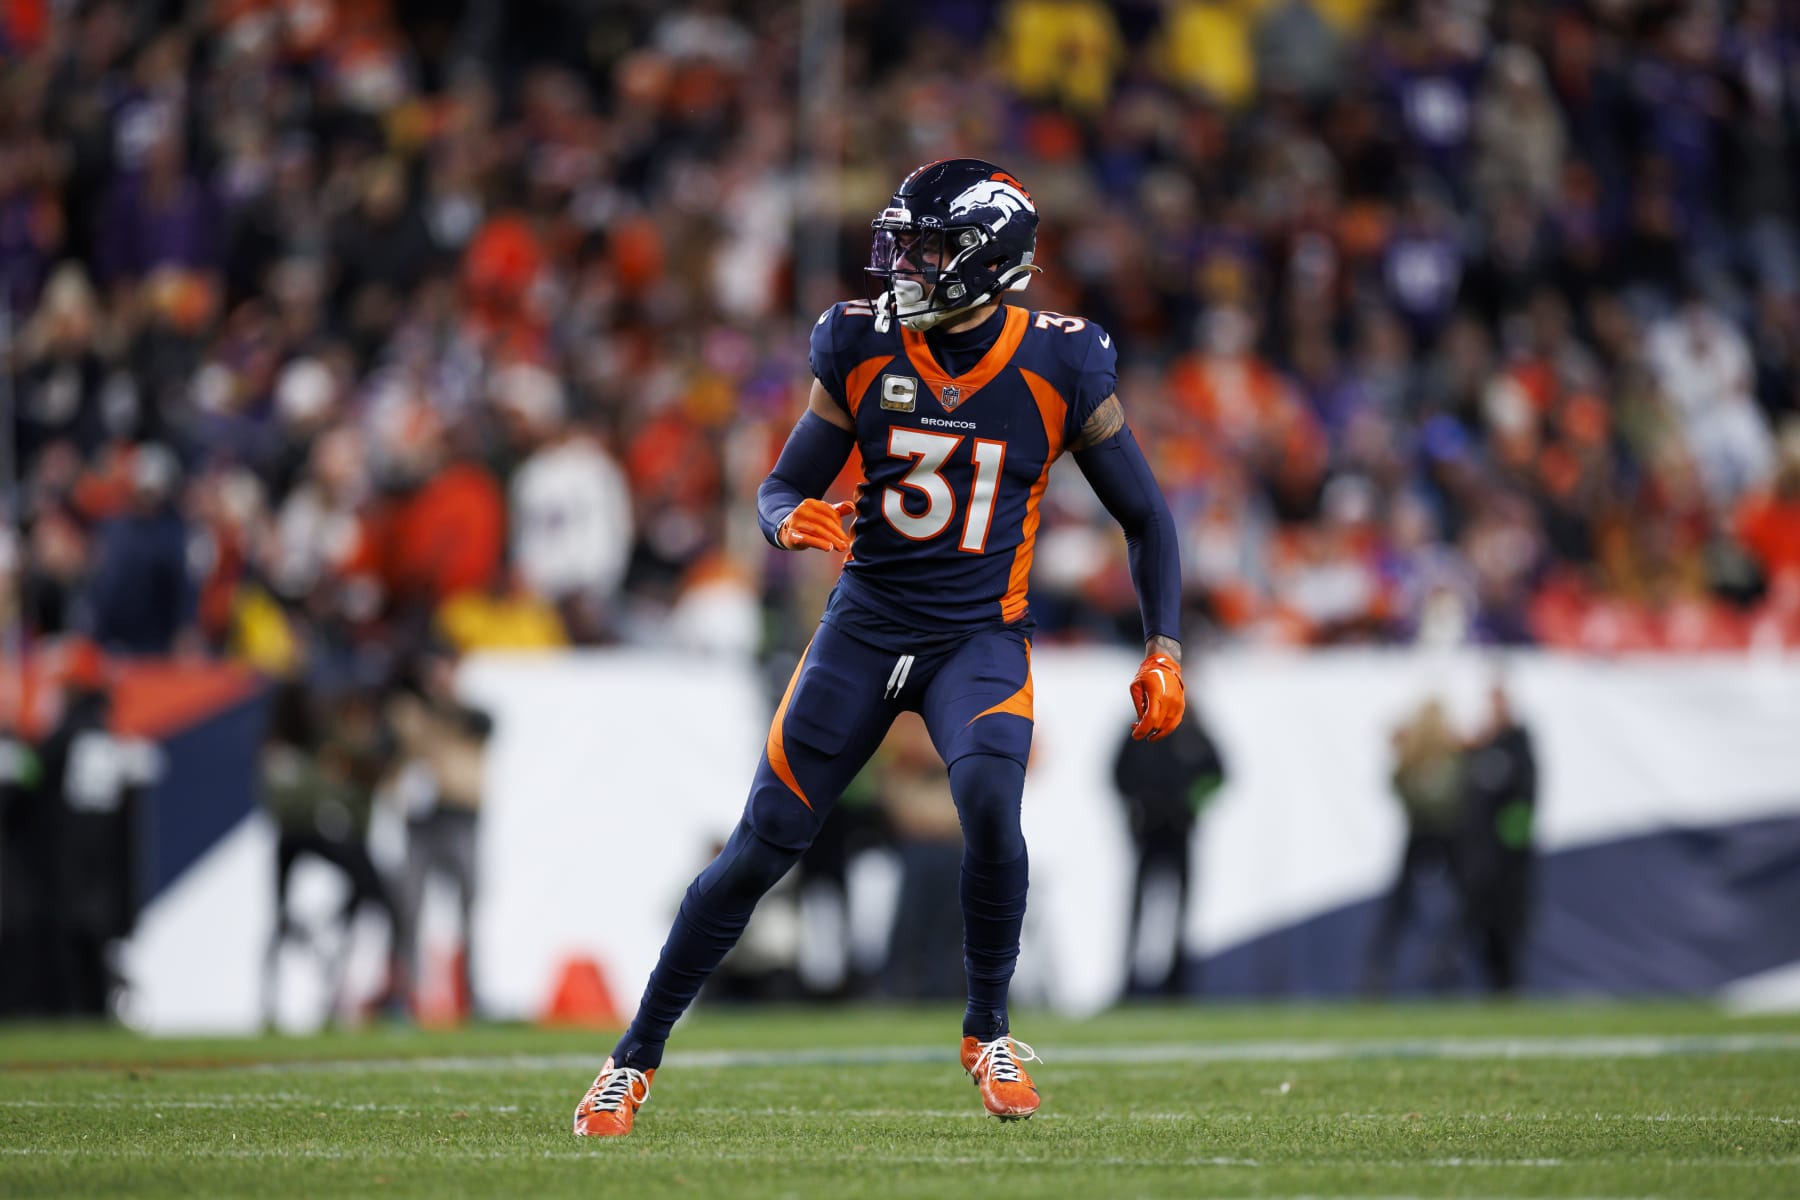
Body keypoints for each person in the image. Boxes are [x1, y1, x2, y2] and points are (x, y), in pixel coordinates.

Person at [571, 158, 1184, 1136]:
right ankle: (631, 1056)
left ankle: (988, 1030)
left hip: (975, 638)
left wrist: (1165, 645)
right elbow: (782, 482)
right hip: (862, 629)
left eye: (931, 248)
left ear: (992, 261)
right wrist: (786, 520)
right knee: (757, 852)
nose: (905, 263)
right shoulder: (858, 342)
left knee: (990, 805)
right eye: (903, 242)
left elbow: (1147, 516)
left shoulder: (1065, 361)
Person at [1113, 697, 1227, 996]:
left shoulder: (1192, 729)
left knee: (1180, 910)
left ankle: (1177, 984)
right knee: (1139, 908)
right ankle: (1131, 982)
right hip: (1148, 831)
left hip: (1179, 831)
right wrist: (1138, 805)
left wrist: (1190, 805)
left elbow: (1217, 774)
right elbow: (1118, 774)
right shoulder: (1140, 727)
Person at [1363, 697, 1467, 995]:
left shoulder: (1452, 753)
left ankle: (1447, 961)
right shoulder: (1418, 756)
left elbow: (1450, 797)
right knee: (1401, 907)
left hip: (1444, 835)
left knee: (1462, 905)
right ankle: (1380, 973)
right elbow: (1401, 791)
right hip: (1426, 835)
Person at [1457, 681, 1537, 993]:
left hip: (1508, 855)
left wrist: (1512, 843)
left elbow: (1526, 799)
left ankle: (1508, 983)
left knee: (1509, 919)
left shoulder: (1518, 745)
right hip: (1481, 854)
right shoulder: (1479, 748)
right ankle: (1491, 983)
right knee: (1482, 921)